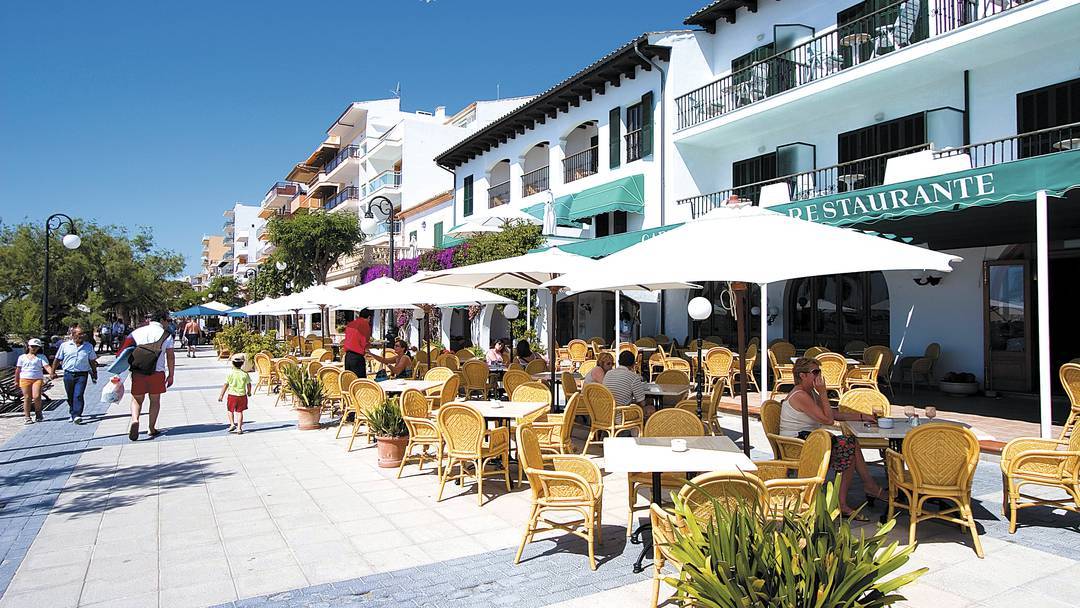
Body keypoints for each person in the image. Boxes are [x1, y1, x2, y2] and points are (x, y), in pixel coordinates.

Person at [779, 357, 887, 519]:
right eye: (815, 372)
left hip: (810, 439)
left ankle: (862, 489)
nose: (819, 375)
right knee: (848, 446)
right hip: (798, 445)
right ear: (802, 375)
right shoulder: (800, 395)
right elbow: (828, 420)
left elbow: (833, 413)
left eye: (819, 371)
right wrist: (823, 392)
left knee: (850, 445)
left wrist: (862, 416)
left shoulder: (810, 393)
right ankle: (855, 495)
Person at [117, 312, 175, 441]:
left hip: (138, 371)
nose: (169, 323)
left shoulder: (137, 332)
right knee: (155, 400)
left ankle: (135, 420)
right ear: (161, 320)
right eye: (168, 320)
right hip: (157, 372)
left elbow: (122, 352)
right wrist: (171, 375)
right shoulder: (166, 336)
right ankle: (151, 428)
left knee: (136, 399)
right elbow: (170, 356)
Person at [51, 328, 98, 424]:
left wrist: (94, 372)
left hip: (82, 374)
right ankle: (72, 411)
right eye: (80, 334)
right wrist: (52, 372)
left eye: (83, 333)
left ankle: (77, 415)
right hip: (68, 374)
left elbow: (92, 361)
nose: (82, 335)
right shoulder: (65, 346)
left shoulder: (88, 346)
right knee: (70, 395)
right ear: (73, 335)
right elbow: (57, 359)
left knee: (78, 394)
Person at [15, 339, 52, 424]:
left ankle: (38, 412)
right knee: (27, 397)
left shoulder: (41, 357)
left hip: (37, 379)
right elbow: (18, 369)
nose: (34, 348)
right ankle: (27, 416)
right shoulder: (22, 357)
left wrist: (51, 373)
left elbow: (46, 366)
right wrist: (16, 381)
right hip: (24, 379)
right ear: (28, 346)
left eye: (36, 347)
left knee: (36, 396)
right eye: (32, 346)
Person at [218, 355, 251, 434]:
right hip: (242, 395)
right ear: (242, 364)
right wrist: (249, 392)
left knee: (230, 410)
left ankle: (232, 424)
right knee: (240, 412)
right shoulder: (245, 374)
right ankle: (239, 428)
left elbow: (226, 385)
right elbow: (248, 384)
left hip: (232, 395)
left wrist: (221, 395)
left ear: (232, 364)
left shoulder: (230, 374)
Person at [343, 309, 372, 378]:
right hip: (357, 357)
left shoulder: (350, 324)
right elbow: (365, 340)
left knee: (349, 380)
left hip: (347, 356)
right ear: (369, 317)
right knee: (360, 382)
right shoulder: (365, 324)